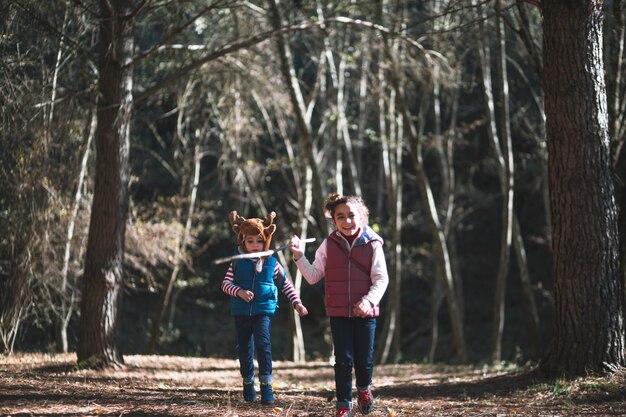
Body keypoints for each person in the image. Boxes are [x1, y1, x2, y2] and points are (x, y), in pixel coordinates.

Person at [289, 193, 388, 417]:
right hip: (338, 311)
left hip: (366, 313)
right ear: (334, 220)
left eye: (352, 215)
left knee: (364, 359)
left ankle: (364, 390)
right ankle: (343, 405)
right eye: (340, 217)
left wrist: (368, 301)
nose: (347, 221)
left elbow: (381, 279)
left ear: (362, 217)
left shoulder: (373, 244)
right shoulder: (328, 244)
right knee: (343, 359)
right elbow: (313, 276)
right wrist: (298, 256)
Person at [222, 210, 309, 405]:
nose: (255, 245)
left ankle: (267, 386)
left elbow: (286, 285)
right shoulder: (237, 263)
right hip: (242, 312)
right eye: (250, 241)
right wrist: (239, 292)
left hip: (263, 312)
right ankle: (247, 381)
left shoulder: (272, 263)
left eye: (259, 241)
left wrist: (297, 303)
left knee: (264, 346)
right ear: (243, 242)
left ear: (266, 241)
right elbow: (225, 284)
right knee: (244, 349)